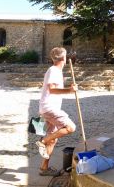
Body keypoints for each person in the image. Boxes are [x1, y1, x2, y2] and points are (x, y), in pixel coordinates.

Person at [36, 47, 77, 176]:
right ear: (63, 58)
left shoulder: (55, 71)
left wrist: (67, 88)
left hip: (47, 108)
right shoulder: (53, 70)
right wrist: (69, 90)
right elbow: (52, 89)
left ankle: (44, 168)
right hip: (49, 109)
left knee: (53, 140)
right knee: (70, 127)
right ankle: (43, 141)